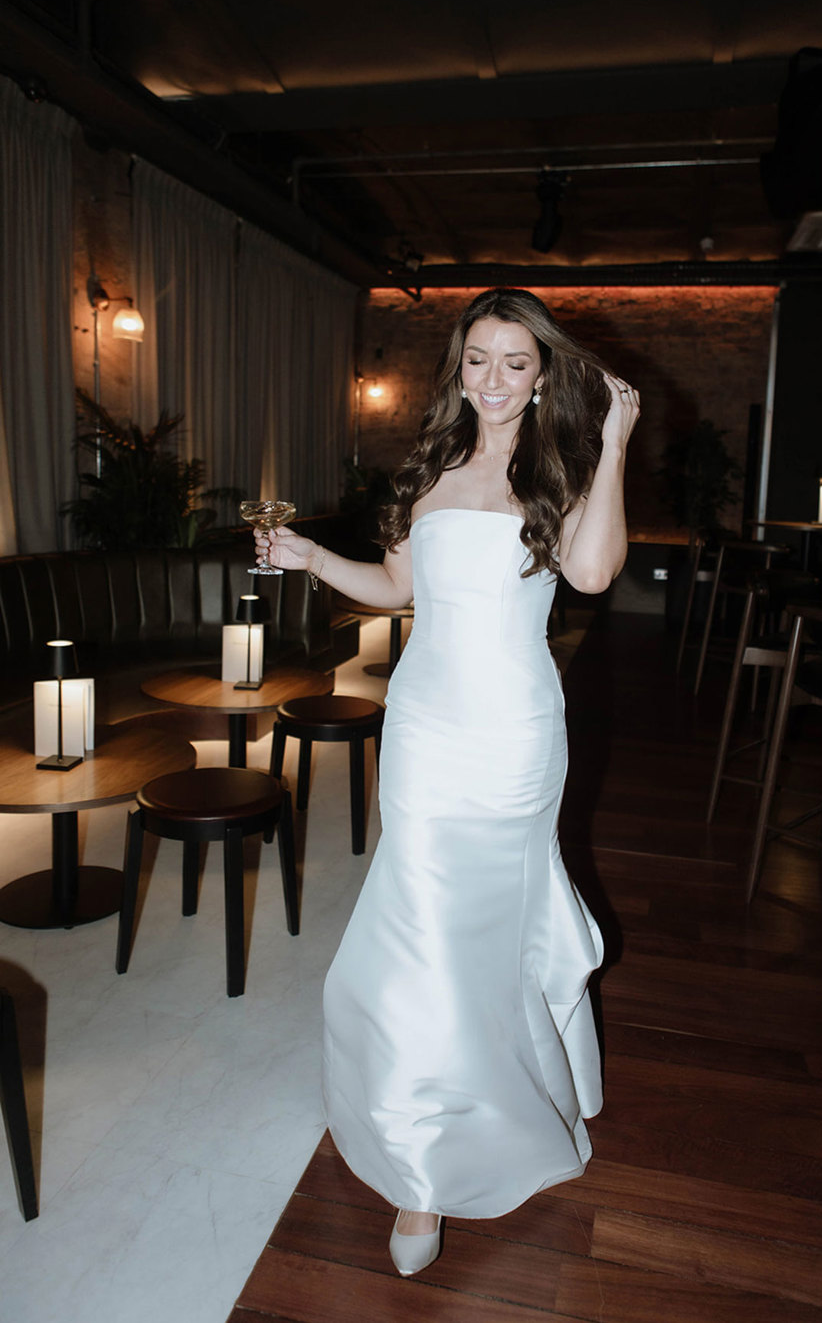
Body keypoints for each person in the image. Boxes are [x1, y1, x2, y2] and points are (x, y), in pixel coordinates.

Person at [257, 287, 639, 1277]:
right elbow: (398, 590)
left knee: (490, 923)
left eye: (518, 361)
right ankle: (423, 1159)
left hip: (514, 732)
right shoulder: (427, 466)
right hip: (423, 724)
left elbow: (594, 576)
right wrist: (307, 554)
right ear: (458, 367)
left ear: (542, 372)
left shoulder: (562, 467)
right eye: (480, 358)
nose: (497, 378)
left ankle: (466, 1136)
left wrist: (620, 431)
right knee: (420, 920)